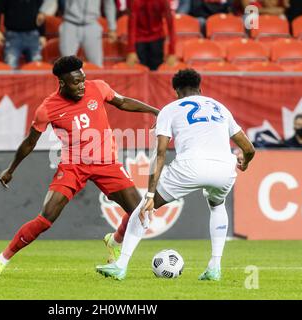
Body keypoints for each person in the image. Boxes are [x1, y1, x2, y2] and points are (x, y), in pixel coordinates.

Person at [0, 56, 160, 278]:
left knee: (140, 213)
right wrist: (11, 169)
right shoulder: (47, 109)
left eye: (83, 80)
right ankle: (2, 260)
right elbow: (30, 142)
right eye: (76, 82)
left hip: (107, 163)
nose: (81, 85)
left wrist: (155, 111)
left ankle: (114, 240)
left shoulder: (98, 88)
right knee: (46, 218)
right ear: (62, 83)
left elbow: (123, 102)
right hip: (73, 165)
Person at [96, 68, 256, 281]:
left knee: (143, 209)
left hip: (190, 167)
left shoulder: (170, 109)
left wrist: (151, 194)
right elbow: (249, 148)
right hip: (224, 168)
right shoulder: (220, 107)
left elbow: (160, 152)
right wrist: (244, 162)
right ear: (200, 89)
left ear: (177, 93)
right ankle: (214, 267)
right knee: (217, 205)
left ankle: (121, 265)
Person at [42, 0, 118, 67]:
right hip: (70, 24)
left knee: (96, 64)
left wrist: (112, 28)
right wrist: (43, 11)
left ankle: (95, 83)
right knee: (66, 64)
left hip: (91, 24)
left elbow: (109, 4)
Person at [0, 0, 47, 69]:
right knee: (10, 67)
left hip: (33, 36)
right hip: (12, 36)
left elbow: (41, 14)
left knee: (36, 68)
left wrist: (42, 34)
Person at [126, 0, 177, 71]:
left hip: (157, 39)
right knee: (140, 72)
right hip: (140, 39)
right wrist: (131, 50)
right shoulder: (135, 1)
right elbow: (131, 25)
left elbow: (171, 25)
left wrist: (172, 52)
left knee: (156, 73)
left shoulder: (164, 1)